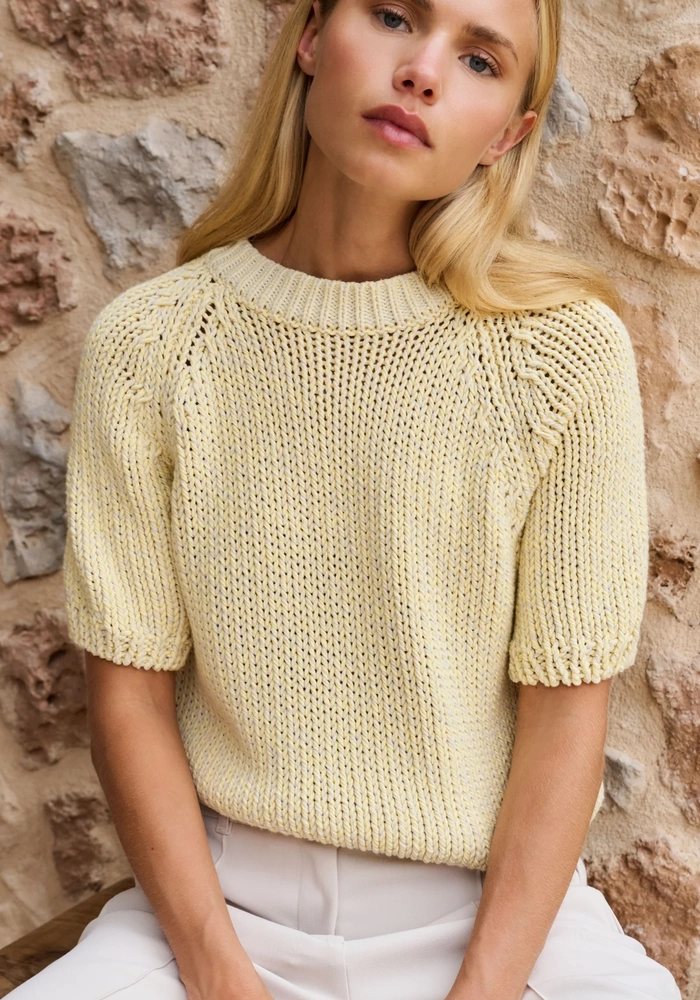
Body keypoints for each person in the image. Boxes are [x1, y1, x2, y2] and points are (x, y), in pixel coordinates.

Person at [6, 0, 684, 997]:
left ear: (507, 135)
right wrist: (219, 973)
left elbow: (566, 712)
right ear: (313, 37)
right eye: (394, 15)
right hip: (217, 909)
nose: (423, 72)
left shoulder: (561, 355)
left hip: (488, 920)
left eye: (480, 61)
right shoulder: (153, 344)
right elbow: (131, 697)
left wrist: (484, 988)